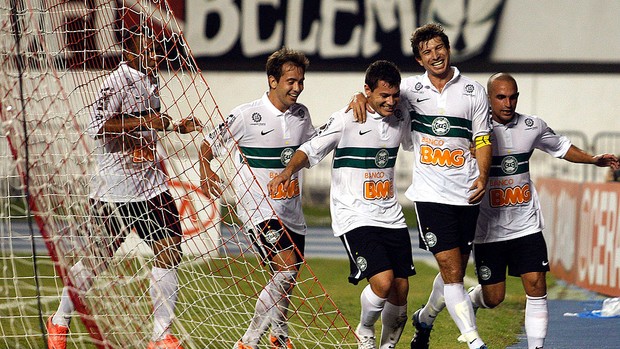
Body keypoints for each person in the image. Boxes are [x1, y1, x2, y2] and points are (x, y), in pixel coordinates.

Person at [46, 25, 200, 349]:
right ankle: (59, 321)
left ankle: (160, 336)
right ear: (129, 49)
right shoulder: (117, 80)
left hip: (150, 185)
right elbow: (98, 126)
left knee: (170, 249)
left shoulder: (150, 77)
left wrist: (175, 125)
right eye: (149, 49)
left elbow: (150, 118)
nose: (156, 55)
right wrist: (146, 122)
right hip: (113, 188)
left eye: (158, 50)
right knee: (96, 260)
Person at [349, 23, 491, 349]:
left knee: (452, 270)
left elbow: (482, 139)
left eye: (438, 47)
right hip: (429, 196)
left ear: (448, 48)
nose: (435, 55)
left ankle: (424, 319)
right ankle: (473, 340)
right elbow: (378, 98)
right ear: (419, 59)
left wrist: (482, 176)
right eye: (427, 51)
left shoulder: (473, 91)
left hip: (467, 193)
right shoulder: (410, 90)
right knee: (452, 271)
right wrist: (358, 95)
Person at [268, 60, 416, 349]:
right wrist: (287, 172)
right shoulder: (347, 119)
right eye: (383, 96)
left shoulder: (401, 114)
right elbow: (310, 149)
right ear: (366, 91)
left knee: (401, 294)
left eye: (394, 95)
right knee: (383, 283)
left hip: (392, 216)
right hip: (354, 216)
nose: (390, 101)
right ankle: (364, 329)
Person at [466, 72, 620, 349]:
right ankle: (470, 300)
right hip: (487, 228)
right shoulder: (475, 130)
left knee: (536, 284)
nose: (508, 102)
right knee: (494, 298)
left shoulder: (531, 126)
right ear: (488, 98)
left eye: (513, 96)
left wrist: (593, 160)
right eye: (501, 97)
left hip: (526, 223)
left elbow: (560, 147)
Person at [199, 47, 315, 349]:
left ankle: (279, 335)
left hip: (291, 209)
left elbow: (310, 149)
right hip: (258, 209)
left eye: (300, 81)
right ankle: (248, 341)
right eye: (290, 81)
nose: (297, 87)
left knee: (286, 281)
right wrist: (205, 172)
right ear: (272, 80)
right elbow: (207, 144)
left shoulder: (302, 115)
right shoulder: (245, 115)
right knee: (286, 269)